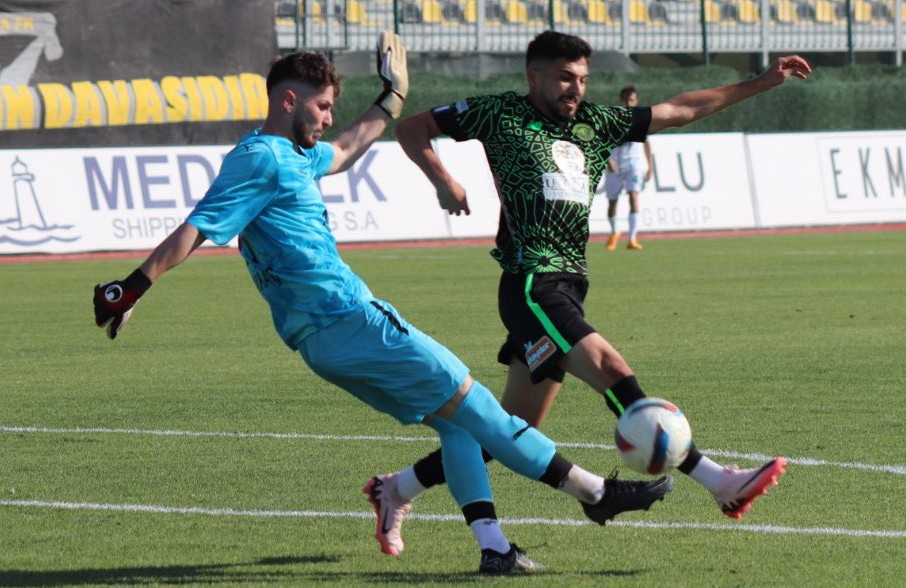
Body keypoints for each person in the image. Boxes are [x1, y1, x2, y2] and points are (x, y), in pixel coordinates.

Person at [91, 33, 674, 576]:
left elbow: (346, 149)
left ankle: (494, 548)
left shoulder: (292, 155)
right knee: (484, 414)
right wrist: (131, 287)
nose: (327, 118)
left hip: (321, 339)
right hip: (350, 320)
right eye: (320, 106)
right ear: (289, 99)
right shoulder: (261, 159)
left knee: (457, 423)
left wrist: (392, 96)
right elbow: (196, 228)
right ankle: (597, 494)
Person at [366, 30, 809, 558]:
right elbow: (414, 127)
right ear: (534, 76)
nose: (575, 88)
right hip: (532, 285)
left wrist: (763, 80)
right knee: (613, 371)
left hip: (568, 288)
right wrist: (442, 178)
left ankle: (394, 489)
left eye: (582, 79)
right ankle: (718, 480)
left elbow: (681, 110)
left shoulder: (597, 123)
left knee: (511, 431)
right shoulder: (498, 114)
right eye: (564, 78)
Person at [602, 85, 654, 251]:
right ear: (621, 100)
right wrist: (608, 161)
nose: (628, 103)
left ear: (636, 100)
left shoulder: (640, 120)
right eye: (626, 99)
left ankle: (632, 238)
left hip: (633, 164)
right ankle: (614, 232)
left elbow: (647, 144)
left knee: (634, 196)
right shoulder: (612, 118)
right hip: (615, 165)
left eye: (631, 100)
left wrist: (650, 167)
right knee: (613, 202)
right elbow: (604, 142)